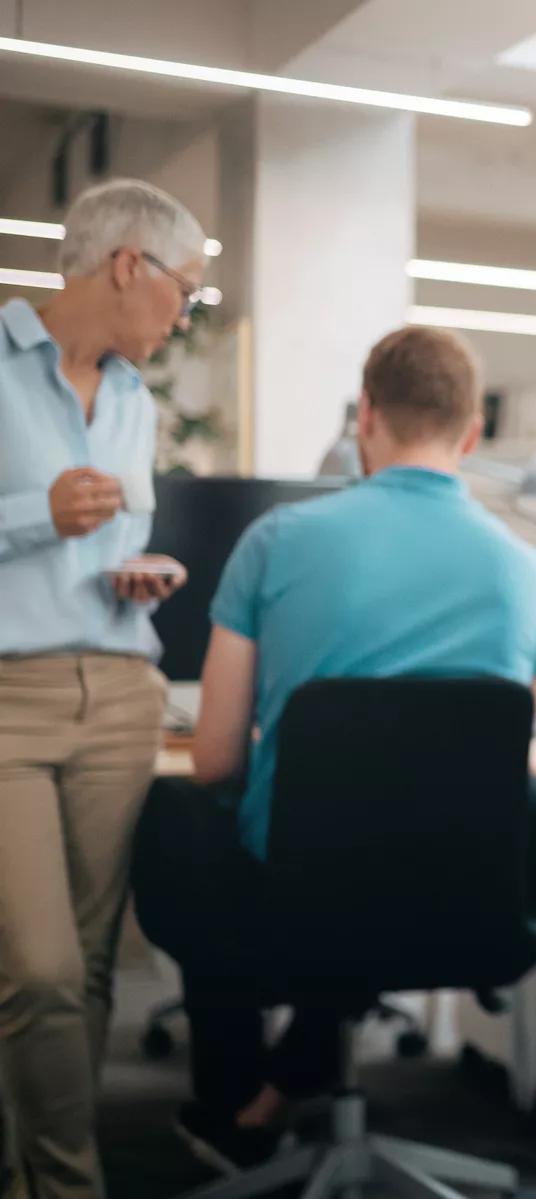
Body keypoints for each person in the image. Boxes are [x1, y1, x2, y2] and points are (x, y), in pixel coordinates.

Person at [131, 326, 536, 1170]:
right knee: (424, 836)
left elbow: (214, 757)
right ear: (472, 435)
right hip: (461, 902)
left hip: (298, 896)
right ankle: (281, 1083)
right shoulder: (525, 566)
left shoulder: (278, 542)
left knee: (181, 810)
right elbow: (506, 743)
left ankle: (234, 1101)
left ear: (366, 417)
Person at [0, 178, 207, 1199]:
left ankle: (39, 1171)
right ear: (130, 264)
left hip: (120, 686)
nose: (184, 314)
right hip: (10, 698)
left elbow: (115, 532)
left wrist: (141, 571)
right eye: (186, 290)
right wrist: (35, 515)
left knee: (85, 971)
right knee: (32, 969)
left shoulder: (133, 398)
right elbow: (51, 519)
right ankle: (68, 1182)